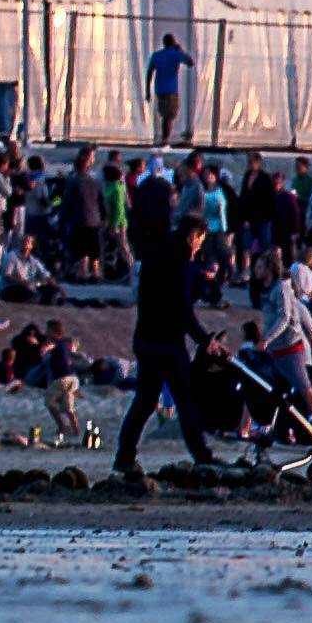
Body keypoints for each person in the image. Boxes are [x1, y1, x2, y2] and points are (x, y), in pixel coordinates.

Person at [115, 161, 219, 480]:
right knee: (184, 399)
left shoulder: (154, 251)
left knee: (145, 401)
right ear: (193, 236)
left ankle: (124, 456)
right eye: (200, 241)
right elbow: (182, 308)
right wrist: (206, 340)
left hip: (146, 337)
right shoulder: (176, 259)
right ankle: (202, 455)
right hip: (167, 342)